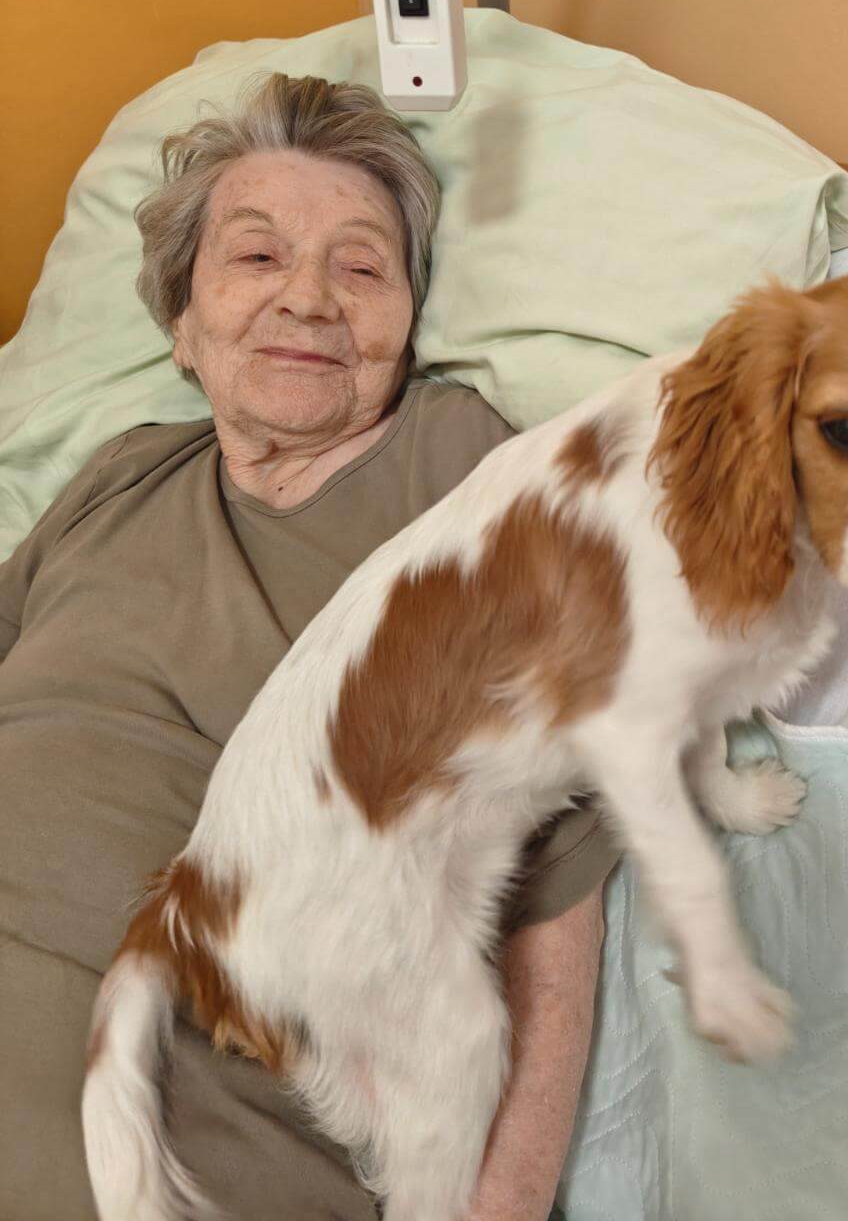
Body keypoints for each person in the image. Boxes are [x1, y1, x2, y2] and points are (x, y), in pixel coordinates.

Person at [0, 74, 617, 1221]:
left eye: (362, 267)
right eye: (256, 255)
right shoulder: (118, 475)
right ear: (182, 325)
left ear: (409, 323)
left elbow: (553, 890)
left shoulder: (459, 479)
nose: (309, 297)